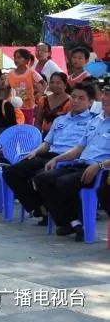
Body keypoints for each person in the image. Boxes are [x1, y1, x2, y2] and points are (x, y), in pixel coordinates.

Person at [3, 83, 94, 225]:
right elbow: (47, 143)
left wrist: (59, 159)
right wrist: (35, 151)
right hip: (49, 154)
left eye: (81, 98)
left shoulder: (93, 121)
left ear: (90, 102)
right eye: (74, 97)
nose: (75, 101)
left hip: (68, 158)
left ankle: (59, 217)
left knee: (41, 176)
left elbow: (81, 148)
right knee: (11, 172)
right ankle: (39, 207)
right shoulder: (60, 120)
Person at [34, 86, 110, 241]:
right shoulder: (95, 121)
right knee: (43, 177)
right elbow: (79, 148)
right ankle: (70, 223)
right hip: (80, 164)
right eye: (105, 95)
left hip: (100, 170)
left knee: (64, 183)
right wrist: (57, 159)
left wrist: (99, 165)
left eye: (109, 97)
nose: (106, 99)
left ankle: (77, 223)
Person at [7, 48, 42, 125]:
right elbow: (8, 88)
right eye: (15, 57)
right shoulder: (10, 74)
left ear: (27, 60)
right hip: (15, 107)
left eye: (19, 57)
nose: (16, 60)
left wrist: (40, 94)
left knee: (27, 127)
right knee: (16, 127)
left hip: (28, 107)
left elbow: (43, 83)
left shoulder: (31, 72)